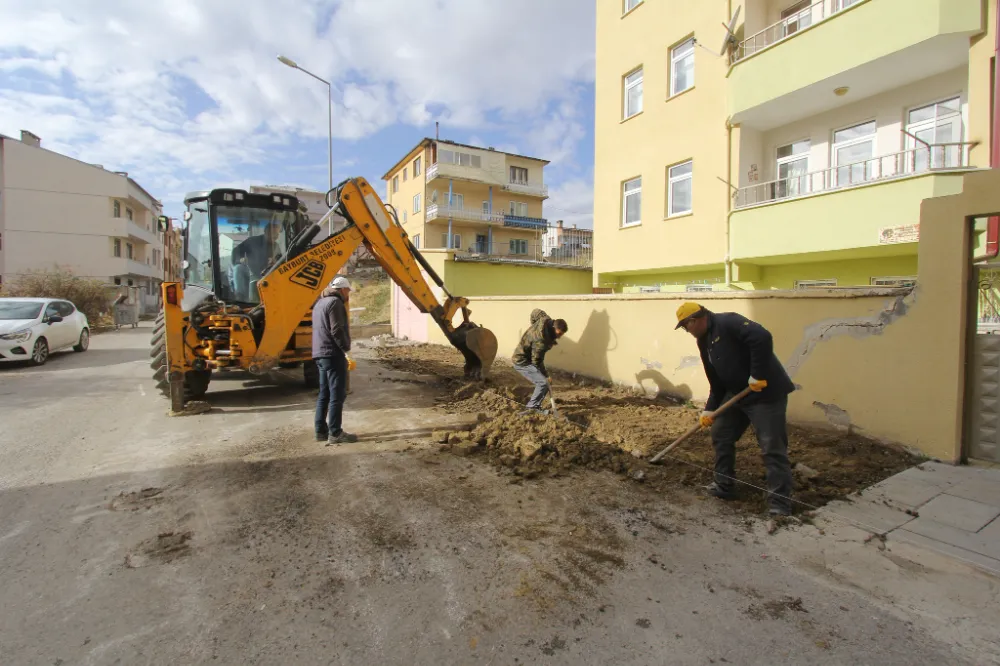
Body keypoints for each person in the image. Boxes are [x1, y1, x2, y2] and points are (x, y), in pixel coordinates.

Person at [675, 302, 795, 516]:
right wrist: (709, 410)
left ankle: (779, 503)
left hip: (764, 395)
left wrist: (757, 374)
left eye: (685, 327)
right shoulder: (704, 342)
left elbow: (762, 337)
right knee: (721, 433)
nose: (687, 331)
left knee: (771, 446)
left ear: (694, 320)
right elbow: (716, 381)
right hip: (737, 394)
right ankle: (724, 485)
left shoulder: (728, 321)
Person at [312, 276, 357, 445]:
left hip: (320, 354)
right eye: (348, 291)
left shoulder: (319, 303)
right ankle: (335, 433)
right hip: (332, 354)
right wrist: (346, 350)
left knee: (324, 394)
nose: (348, 295)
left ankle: (320, 431)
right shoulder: (335, 303)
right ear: (343, 289)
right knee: (337, 394)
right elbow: (336, 329)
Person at [511, 309, 568, 414]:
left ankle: (536, 405)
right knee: (543, 383)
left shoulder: (544, 319)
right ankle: (532, 408)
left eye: (561, 335)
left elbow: (535, 311)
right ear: (554, 327)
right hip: (521, 361)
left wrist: (533, 326)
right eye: (559, 334)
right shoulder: (542, 341)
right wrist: (546, 375)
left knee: (545, 382)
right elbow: (536, 362)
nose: (559, 337)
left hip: (527, 356)